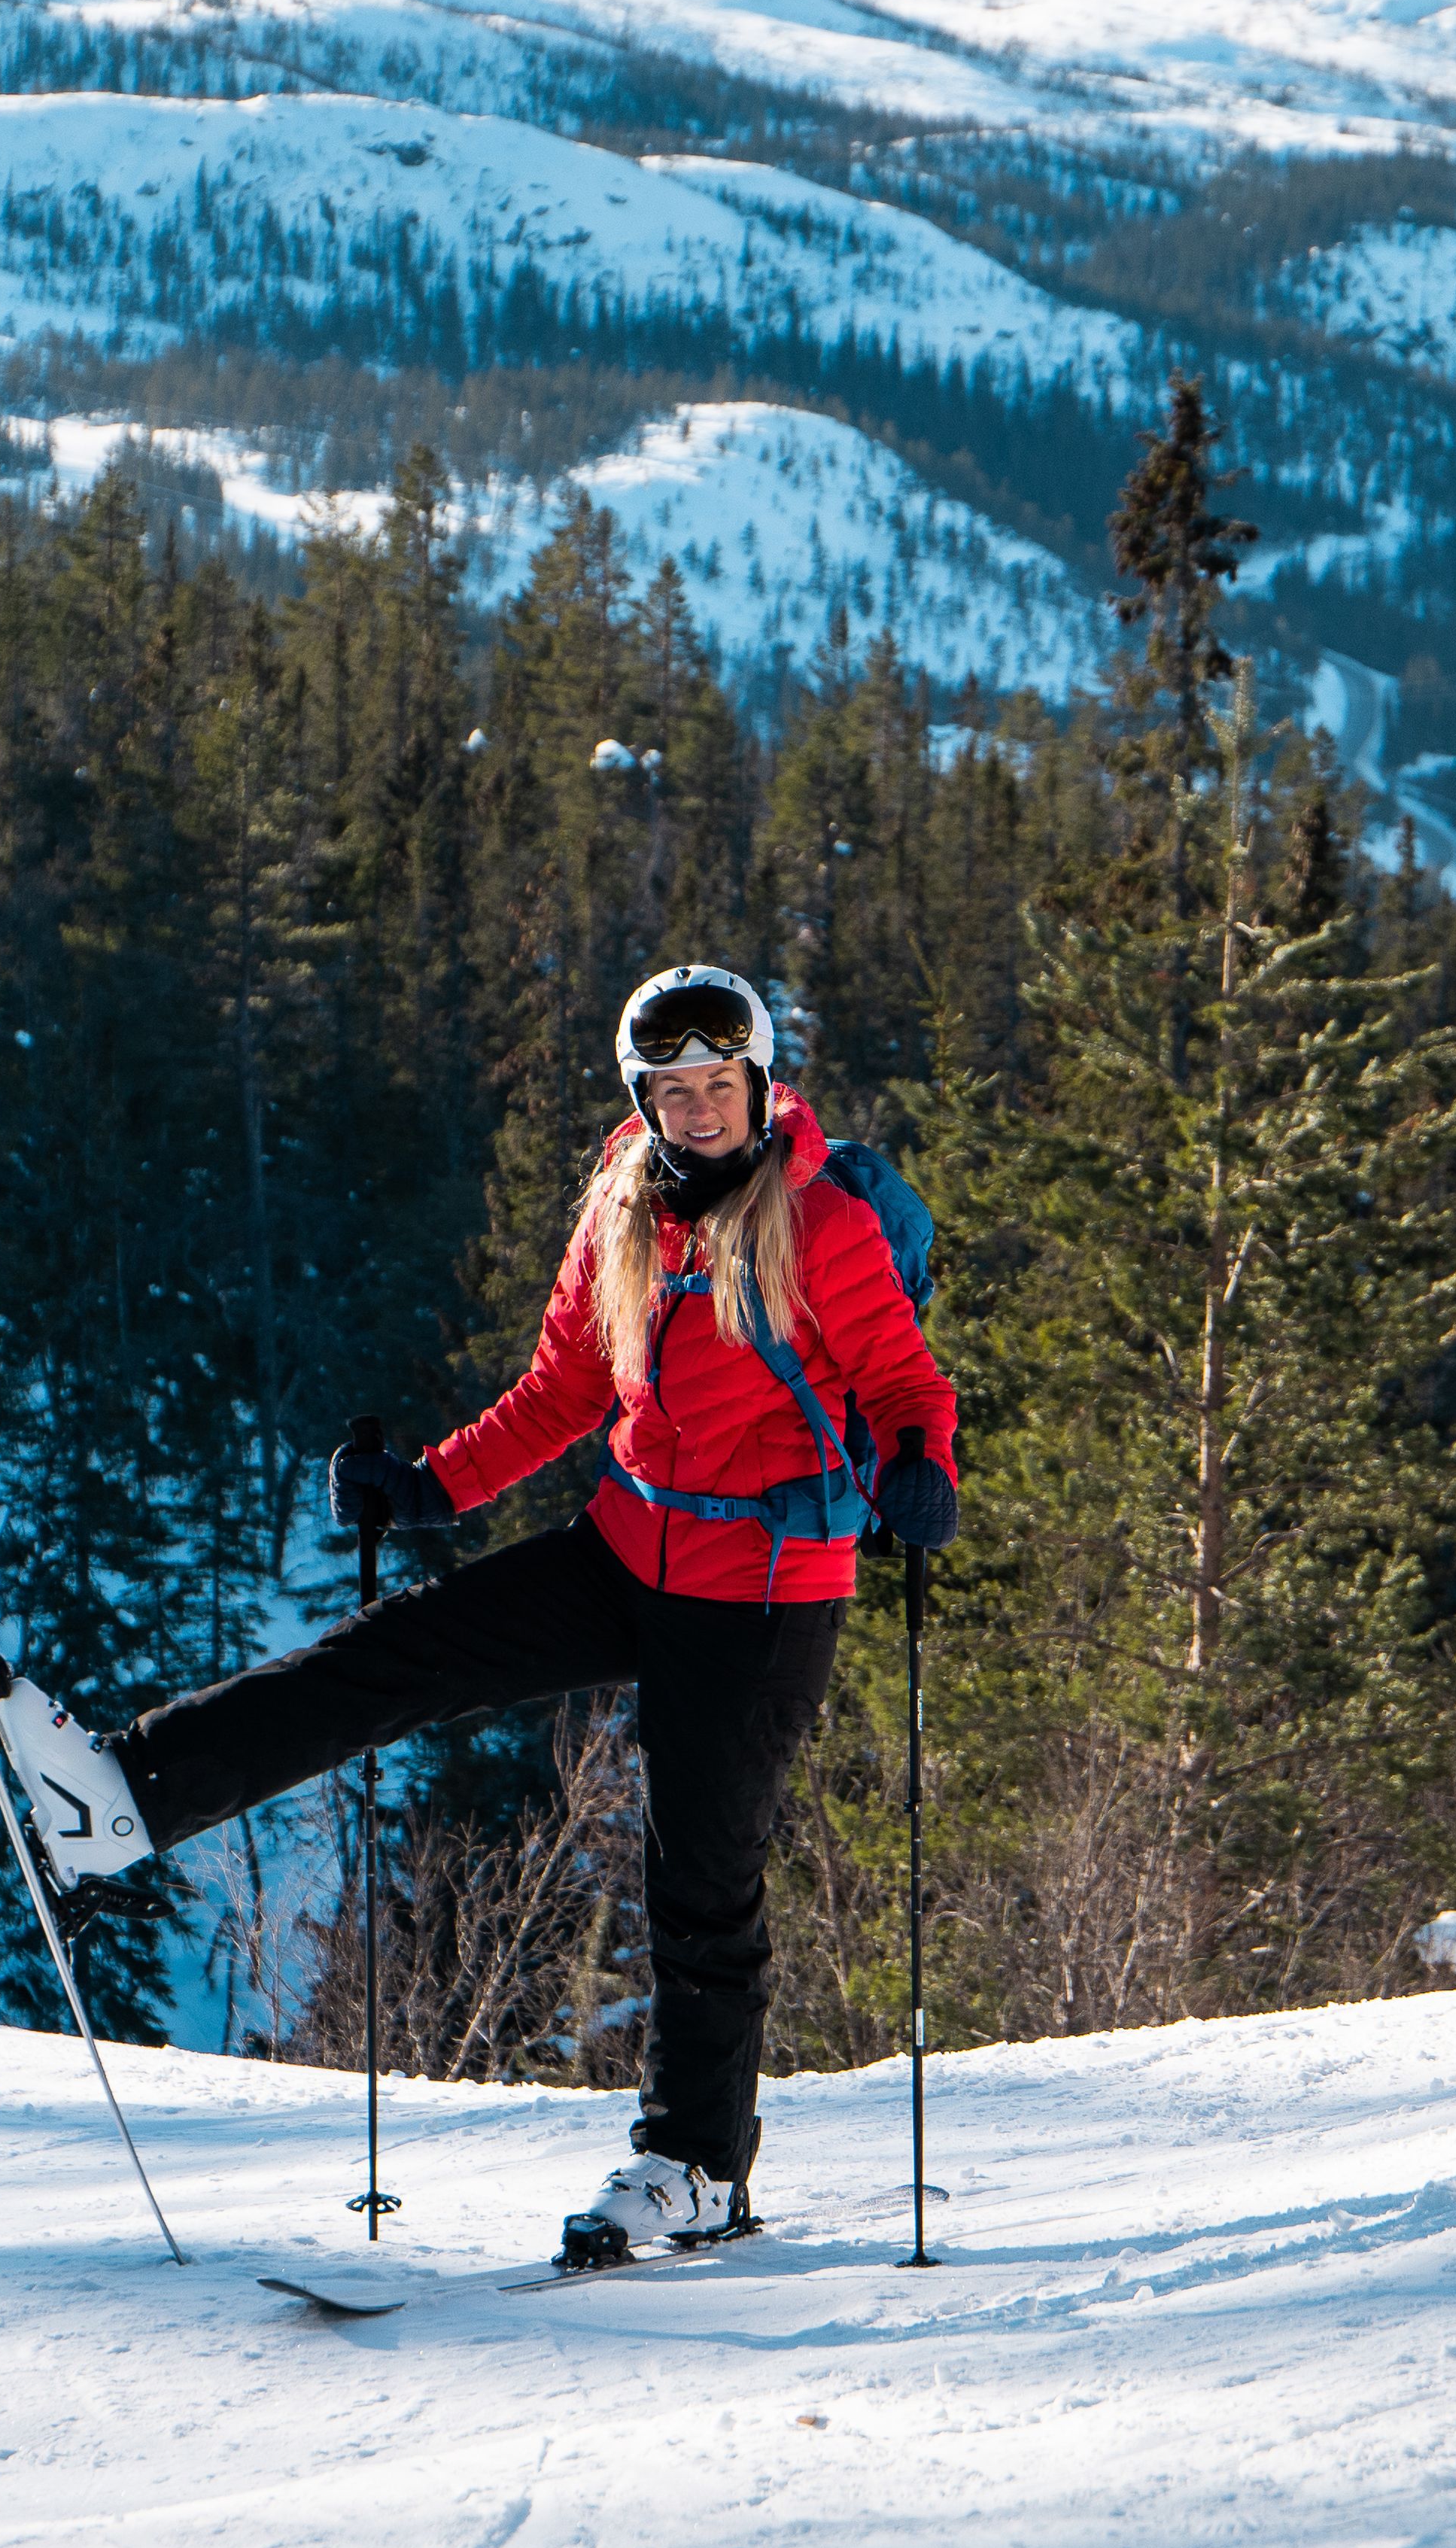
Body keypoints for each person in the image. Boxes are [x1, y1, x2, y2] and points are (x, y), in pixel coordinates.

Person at [68, 960, 959, 2266]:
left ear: (759, 1087)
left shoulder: (823, 1223)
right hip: (625, 1545)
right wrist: (432, 1487)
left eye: (721, 1086)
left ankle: (697, 2169)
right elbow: (562, 1389)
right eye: (673, 1088)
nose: (700, 1109)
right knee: (393, 1656)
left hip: (764, 1593)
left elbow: (902, 1383)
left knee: (699, 1882)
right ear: (641, 1094)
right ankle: (122, 1795)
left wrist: (925, 1467)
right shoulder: (625, 1200)